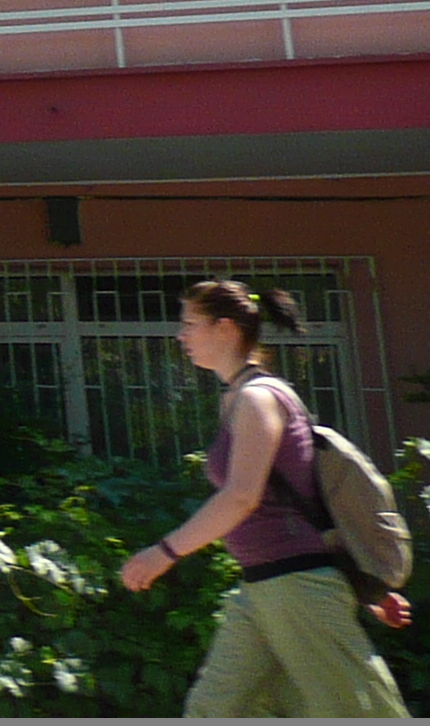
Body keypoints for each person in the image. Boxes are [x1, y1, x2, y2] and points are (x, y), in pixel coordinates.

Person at [118, 279, 411, 717]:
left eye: (189, 324)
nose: (181, 337)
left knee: (358, 712)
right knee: (215, 712)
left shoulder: (259, 398)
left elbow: (242, 497)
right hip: (263, 587)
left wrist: (163, 553)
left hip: (296, 587)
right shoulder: (239, 398)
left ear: (225, 329)